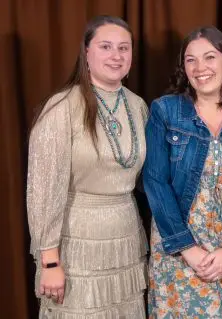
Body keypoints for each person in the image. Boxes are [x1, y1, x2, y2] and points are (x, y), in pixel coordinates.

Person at [27, 15, 148, 318]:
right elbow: (43, 191)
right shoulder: (61, 108)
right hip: (76, 242)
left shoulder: (138, 106)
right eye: (106, 46)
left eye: (124, 48)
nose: (116, 55)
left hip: (126, 239)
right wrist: (50, 262)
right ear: (86, 52)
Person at [143, 26, 222, 318]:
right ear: (183, 68)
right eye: (191, 60)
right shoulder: (166, 111)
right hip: (178, 251)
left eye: (209, 57)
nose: (200, 68)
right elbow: (155, 182)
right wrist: (187, 249)